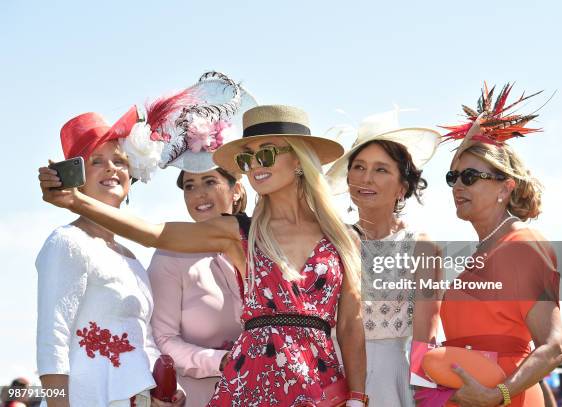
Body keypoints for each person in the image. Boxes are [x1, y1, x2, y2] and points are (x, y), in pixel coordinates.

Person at [38, 105, 369, 406]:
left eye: (265, 154)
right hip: (250, 384)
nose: (254, 165)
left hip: (321, 383)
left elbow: (351, 329)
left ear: (298, 159)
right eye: (245, 159)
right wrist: (74, 201)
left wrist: (357, 397)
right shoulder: (237, 231)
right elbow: (154, 232)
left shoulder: (343, 237)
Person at [36, 109, 187, 407]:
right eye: (97, 161)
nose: (111, 169)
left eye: (120, 161)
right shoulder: (67, 242)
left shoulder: (131, 257)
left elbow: (141, 339)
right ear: (76, 179)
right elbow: (51, 341)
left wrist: (166, 391)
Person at [439, 83, 562, 406]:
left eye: (469, 177)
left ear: (504, 188)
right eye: (452, 177)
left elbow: (554, 346)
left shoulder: (521, 244)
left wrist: (497, 395)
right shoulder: (480, 255)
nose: (457, 186)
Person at [148, 73, 252, 407]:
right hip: (201, 398)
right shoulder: (170, 253)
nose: (198, 195)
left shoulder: (264, 245)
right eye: (189, 186)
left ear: (237, 191)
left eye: (209, 182)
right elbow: (162, 340)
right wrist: (219, 361)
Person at [326, 110, 441, 406]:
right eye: (359, 167)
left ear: (402, 187)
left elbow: (425, 335)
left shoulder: (421, 247)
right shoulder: (328, 240)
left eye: (381, 169)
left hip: (391, 381)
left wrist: (425, 396)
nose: (366, 178)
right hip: (328, 375)